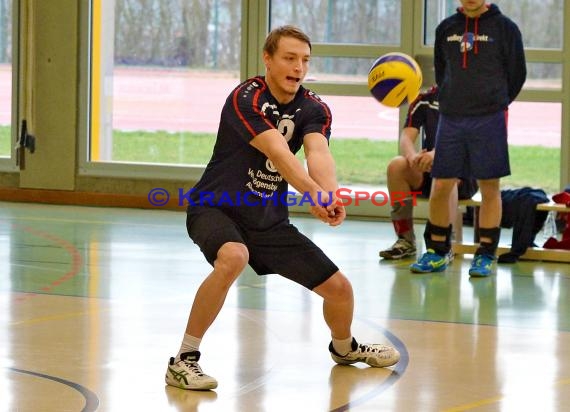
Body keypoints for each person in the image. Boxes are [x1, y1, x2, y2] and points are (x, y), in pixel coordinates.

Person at [165, 25, 400, 391]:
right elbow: (278, 152)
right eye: (289, 58)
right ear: (268, 59)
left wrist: (330, 194)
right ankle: (183, 360)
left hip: (268, 221)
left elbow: (317, 151)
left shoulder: (314, 107)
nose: (298, 67)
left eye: (304, 60)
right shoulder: (247, 98)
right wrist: (312, 195)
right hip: (216, 208)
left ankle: (345, 348)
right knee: (234, 257)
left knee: (340, 290)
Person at [410, 1, 526, 276]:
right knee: (441, 186)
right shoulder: (446, 28)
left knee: (489, 187)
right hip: (451, 119)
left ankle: (485, 254)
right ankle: (438, 251)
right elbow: (442, 71)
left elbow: (517, 75)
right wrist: (454, 99)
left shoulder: (506, 28)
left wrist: (494, 102)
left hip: (489, 118)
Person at [379, 85, 478, 260]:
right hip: (429, 170)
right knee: (397, 166)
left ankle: (444, 242)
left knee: (446, 177)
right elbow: (407, 137)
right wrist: (413, 158)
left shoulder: (471, 99)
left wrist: (437, 156)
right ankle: (405, 240)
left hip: (462, 174)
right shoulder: (426, 99)